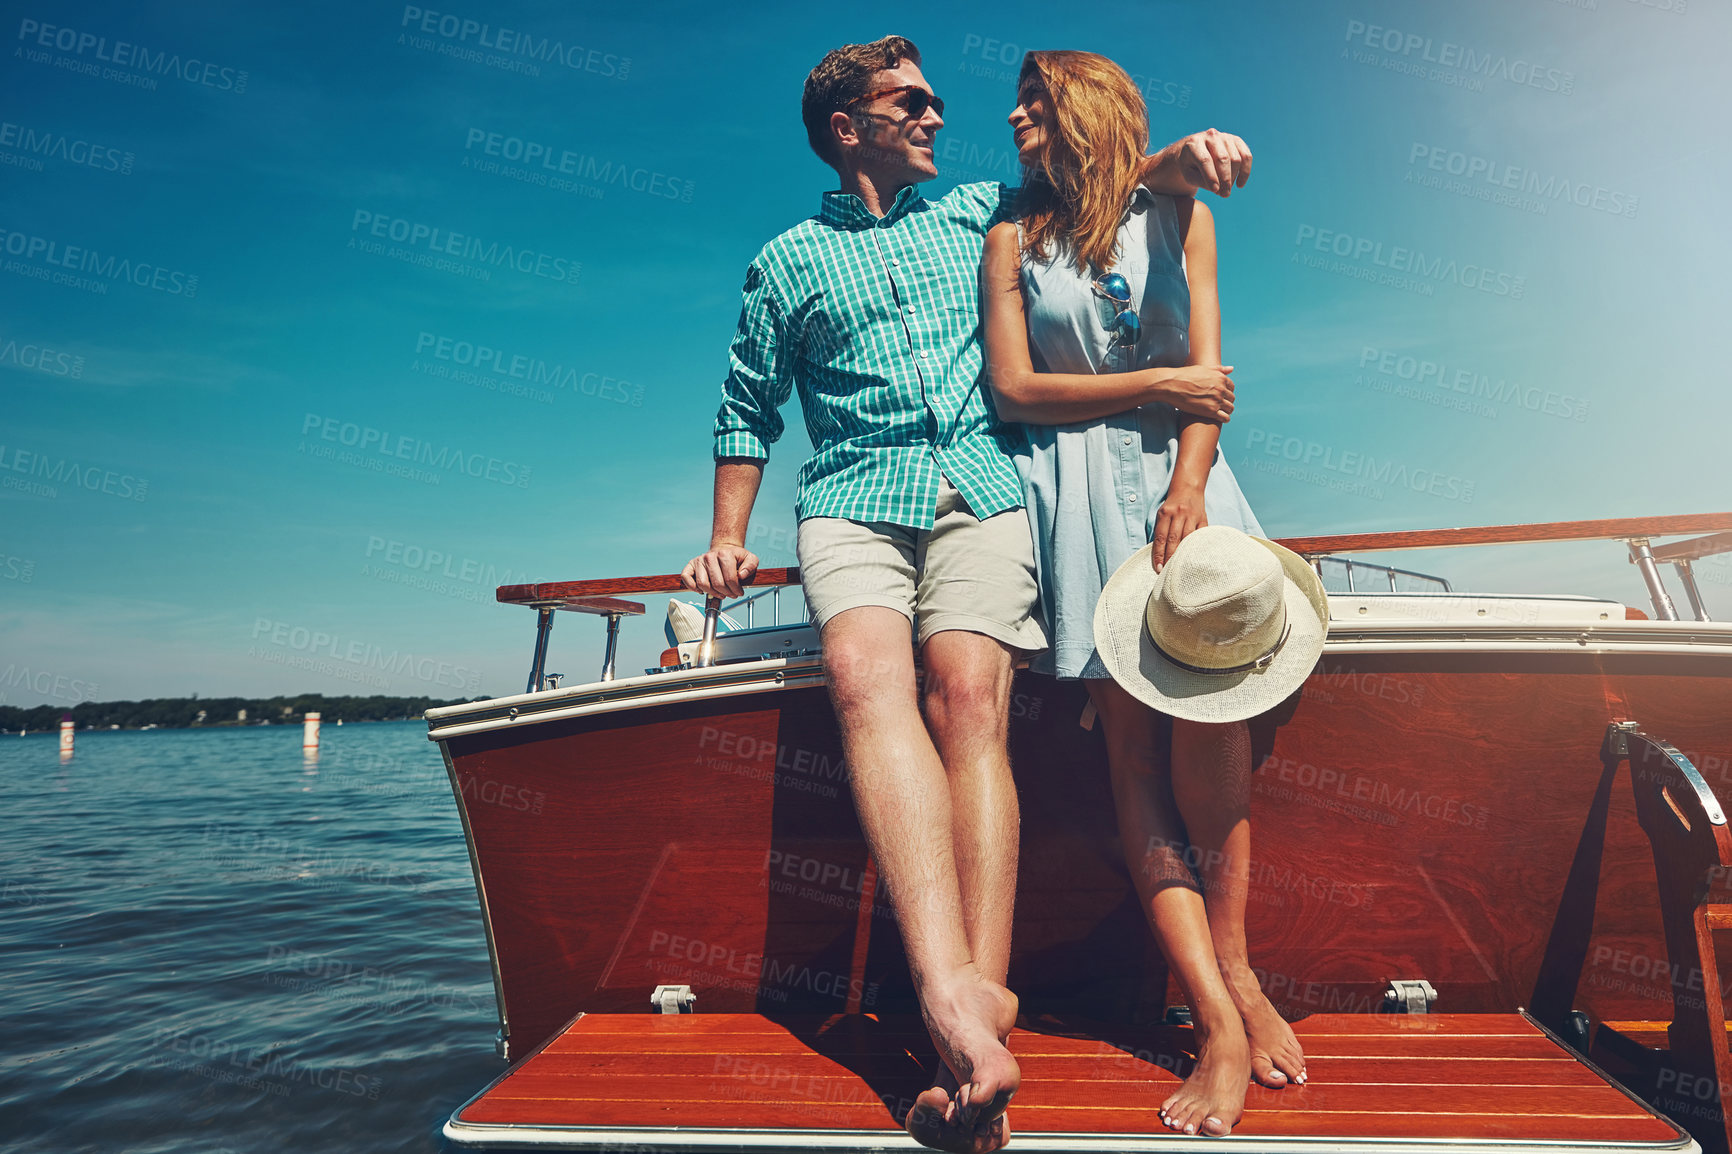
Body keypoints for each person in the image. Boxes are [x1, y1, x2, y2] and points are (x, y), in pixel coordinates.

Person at [680, 35, 1253, 1154]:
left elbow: (1105, 175)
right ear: (848, 126)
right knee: (862, 674)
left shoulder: (984, 212)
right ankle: (952, 999)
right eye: (913, 102)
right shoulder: (785, 258)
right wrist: (722, 541)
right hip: (850, 494)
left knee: (970, 696)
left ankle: (979, 1001)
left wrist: (1180, 155)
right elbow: (745, 409)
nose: (944, 117)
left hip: (984, 489)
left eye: (941, 100)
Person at [979, 50, 1322, 1138]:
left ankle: (1236, 971)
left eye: (1036, 100)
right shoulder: (1009, 236)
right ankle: (1216, 1019)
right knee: (1133, 762)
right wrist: (1157, 385)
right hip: (1077, 493)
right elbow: (1016, 388)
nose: (1015, 114)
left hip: (1194, 494)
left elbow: (1209, 376)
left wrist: (1185, 484)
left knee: (1213, 760)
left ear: (1083, 109)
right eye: (1018, 100)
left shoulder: (1179, 214)